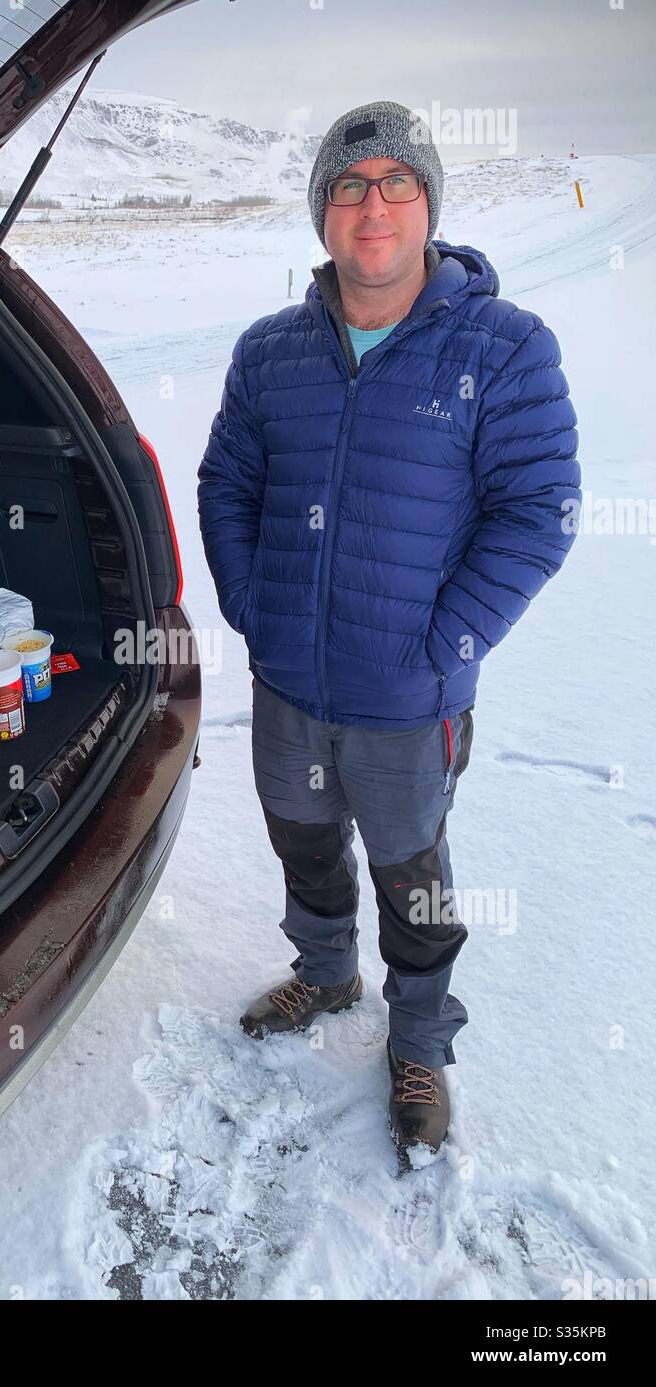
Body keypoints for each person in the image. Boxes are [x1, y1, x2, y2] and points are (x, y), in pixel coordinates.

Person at [196, 100, 581, 1162]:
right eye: (350, 185)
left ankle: (419, 1040)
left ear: (428, 205)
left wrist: (442, 646)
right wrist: (251, 601)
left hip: (409, 698)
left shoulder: (503, 347)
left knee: (413, 877)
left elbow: (537, 510)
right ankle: (325, 975)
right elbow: (228, 480)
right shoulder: (271, 350)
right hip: (289, 683)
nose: (374, 205)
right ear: (323, 214)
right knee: (306, 846)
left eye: (396, 182)